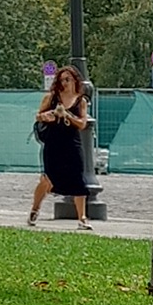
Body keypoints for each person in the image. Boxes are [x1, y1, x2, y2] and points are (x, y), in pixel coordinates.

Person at [30, 63, 96, 226]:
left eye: (68, 79)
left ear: (75, 81)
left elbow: (82, 124)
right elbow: (38, 116)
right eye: (62, 80)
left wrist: (67, 115)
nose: (65, 83)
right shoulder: (51, 97)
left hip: (72, 143)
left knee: (78, 179)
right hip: (53, 143)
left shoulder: (80, 101)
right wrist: (48, 115)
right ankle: (35, 209)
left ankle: (82, 218)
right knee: (48, 179)